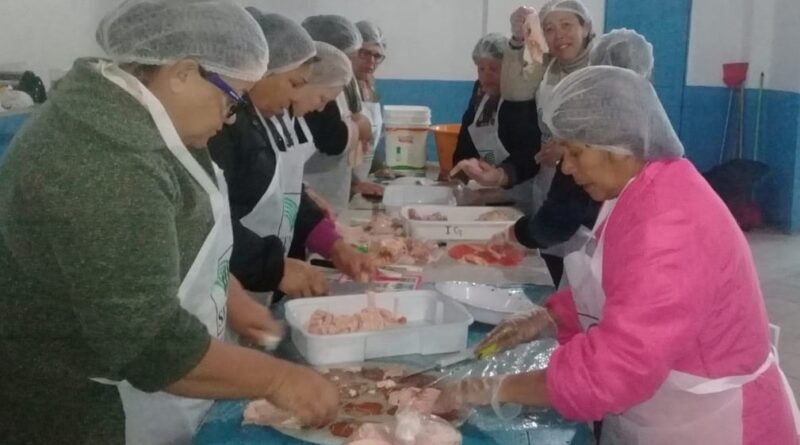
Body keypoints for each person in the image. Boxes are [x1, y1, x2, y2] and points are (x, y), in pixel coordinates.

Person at [0, 1, 338, 444]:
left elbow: (175, 239)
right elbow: (151, 347)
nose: (230, 117)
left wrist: (229, 295)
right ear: (182, 73)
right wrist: (280, 380)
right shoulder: (104, 163)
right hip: (81, 414)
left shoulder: (148, 118)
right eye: (232, 98)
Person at [436, 66, 800, 445]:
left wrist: (489, 389)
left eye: (576, 152)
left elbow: (612, 372)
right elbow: (621, 288)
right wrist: (549, 316)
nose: (568, 168)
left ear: (620, 146)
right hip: (666, 408)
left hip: (716, 423)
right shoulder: (638, 188)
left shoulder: (671, 223)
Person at [209, 11, 372, 317]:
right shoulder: (225, 130)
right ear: (266, 70)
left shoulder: (269, 118)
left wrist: (332, 244)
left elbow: (284, 194)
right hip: (230, 289)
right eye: (294, 83)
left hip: (258, 282)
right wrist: (273, 266)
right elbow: (210, 224)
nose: (300, 98)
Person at [492, 28, 653, 286]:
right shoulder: (651, 125)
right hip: (607, 254)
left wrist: (515, 233)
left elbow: (558, 219)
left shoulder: (595, 125)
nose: (566, 166)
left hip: (603, 258)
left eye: (574, 153)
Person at [449, 33, 542, 210]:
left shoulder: (521, 98)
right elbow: (467, 134)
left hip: (522, 185)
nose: (486, 75)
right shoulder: (480, 91)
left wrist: (502, 176)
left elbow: (529, 152)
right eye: (481, 68)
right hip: (488, 181)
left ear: (508, 69)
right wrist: (458, 174)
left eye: (493, 68)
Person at [301, 14, 372, 214]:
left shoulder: (339, 86)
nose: (349, 64)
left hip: (325, 197)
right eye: (348, 57)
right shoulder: (310, 91)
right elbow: (332, 139)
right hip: (313, 196)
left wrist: (355, 183)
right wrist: (360, 127)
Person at [350, 19, 388, 197]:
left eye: (377, 56)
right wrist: (353, 183)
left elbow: (370, 140)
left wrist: (378, 166)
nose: (371, 61)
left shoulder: (369, 87)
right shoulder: (339, 89)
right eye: (364, 53)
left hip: (360, 180)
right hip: (337, 183)